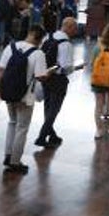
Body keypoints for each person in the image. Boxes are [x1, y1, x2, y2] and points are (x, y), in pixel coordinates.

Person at [0, 24, 50, 173]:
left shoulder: (11, 47)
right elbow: (40, 77)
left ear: (29, 33)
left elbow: (1, 70)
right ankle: (15, 161)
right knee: (22, 128)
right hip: (26, 96)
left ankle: (8, 155)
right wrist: (49, 72)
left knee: (12, 123)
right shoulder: (38, 54)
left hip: (8, 92)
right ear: (40, 39)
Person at [35, 17, 77, 149]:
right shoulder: (65, 44)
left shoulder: (49, 37)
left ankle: (52, 134)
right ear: (69, 27)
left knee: (48, 107)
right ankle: (42, 136)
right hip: (58, 80)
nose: (75, 31)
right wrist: (75, 67)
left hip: (45, 77)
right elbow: (65, 66)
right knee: (54, 109)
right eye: (74, 28)